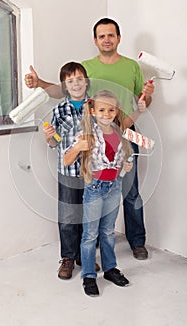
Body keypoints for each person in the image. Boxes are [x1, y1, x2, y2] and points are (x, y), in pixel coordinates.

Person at [24, 17, 154, 260]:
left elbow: (141, 102)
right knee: (95, 188)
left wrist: (147, 96)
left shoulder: (132, 67)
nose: (106, 39)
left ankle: (137, 241)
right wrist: (39, 83)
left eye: (111, 35)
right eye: (102, 35)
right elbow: (65, 89)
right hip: (97, 133)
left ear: (118, 38)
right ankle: (91, 241)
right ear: (95, 40)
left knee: (131, 189)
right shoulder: (86, 68)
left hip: (125, 130)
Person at [63, 90, 135, 297]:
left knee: (108, 232)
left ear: (116, 111)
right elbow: (67, 160)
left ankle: (110, 269)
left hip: (114, 186)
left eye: (111, 109)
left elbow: (119, 160)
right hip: (94, 188)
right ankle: (88, 275)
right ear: (93, 111)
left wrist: (125, 166)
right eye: (102, 109)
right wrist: (77, 147)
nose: (107, 113)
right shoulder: (87, 134)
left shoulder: (119, 133)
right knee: (90, 235)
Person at [44, 61, 100, 280]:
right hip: (67, 171)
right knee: (68, 216)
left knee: (89, 215)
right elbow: (56, 141)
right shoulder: (59, 110)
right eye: (70, 81)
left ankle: (84, 256)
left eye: (79, 79)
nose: (76, 83)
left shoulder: (96, 106)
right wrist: (50, 138)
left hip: (92, 171)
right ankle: (68, 257)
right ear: (65, 86)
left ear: (86, 82)